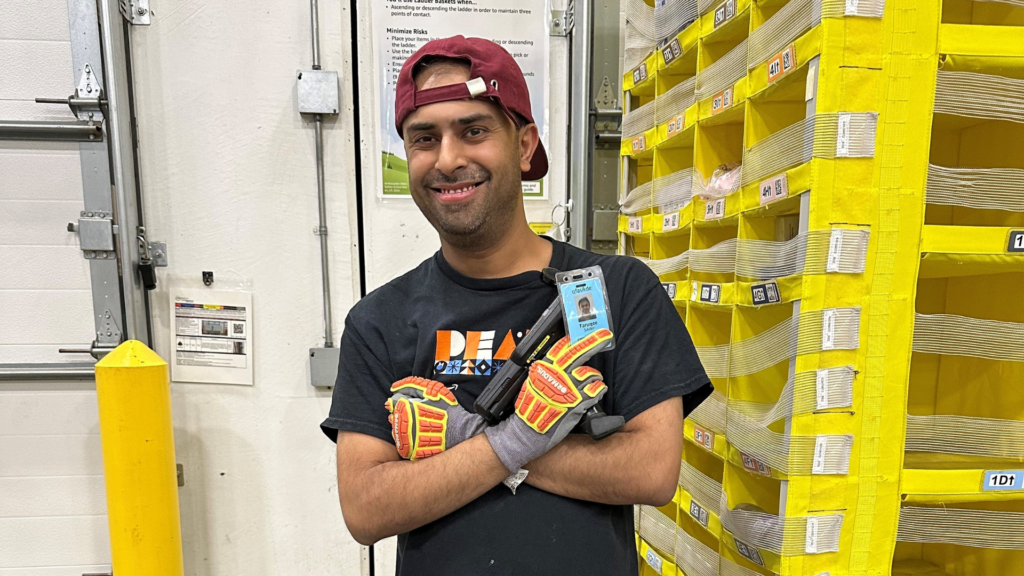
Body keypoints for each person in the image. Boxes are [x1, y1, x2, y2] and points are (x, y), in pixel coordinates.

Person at [320, 36, 711, 576]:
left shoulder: (615, 288)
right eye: (424, 139)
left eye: (474, 131)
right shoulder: (380, 319)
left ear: (524, 146)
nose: (448, 158)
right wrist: (521, 438)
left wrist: (460, 438)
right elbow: (366, 507)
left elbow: (650, 470)